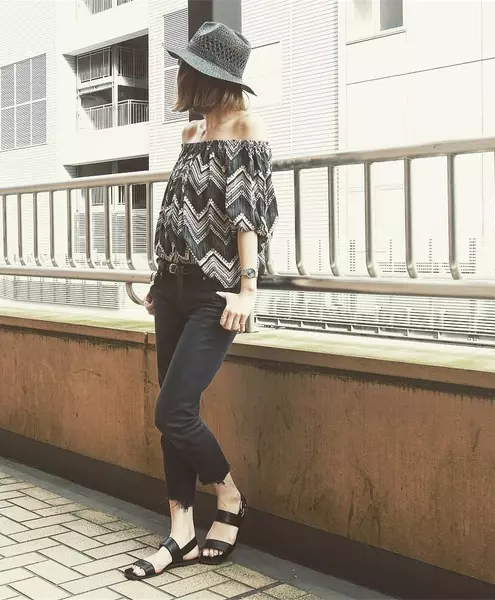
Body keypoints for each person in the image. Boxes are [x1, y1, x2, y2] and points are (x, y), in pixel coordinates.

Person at [124, 21, 278, 580]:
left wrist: (248, 289)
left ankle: (229, 495)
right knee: (173, 415)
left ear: (209, 77)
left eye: (186, 70)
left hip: (217, 292)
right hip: (173, 286)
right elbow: (177, 212)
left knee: (172, 410)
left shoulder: (246, 128)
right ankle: (181, 531)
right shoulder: (190, 134)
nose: (178, 78)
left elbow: (247, 215)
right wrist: (158, 279)